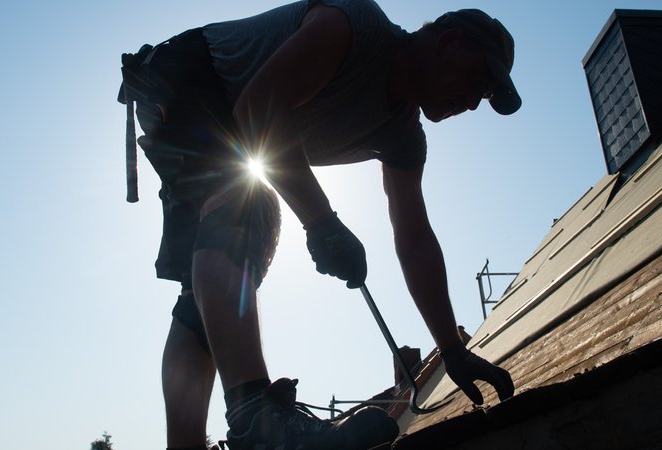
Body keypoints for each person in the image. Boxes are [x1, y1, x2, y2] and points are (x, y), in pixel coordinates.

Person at [118, 1, 520, 449]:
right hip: (189, 75)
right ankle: (261, 426)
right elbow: (258, 109)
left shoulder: (403, 136)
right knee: (248, 208)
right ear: (449, 41)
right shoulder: (355, 25)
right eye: (476, 81)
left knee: (203, 297)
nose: (471, 102)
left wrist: (452, 349)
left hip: (212, 111)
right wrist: (322, 222)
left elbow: (414, 236)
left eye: (482, 98)